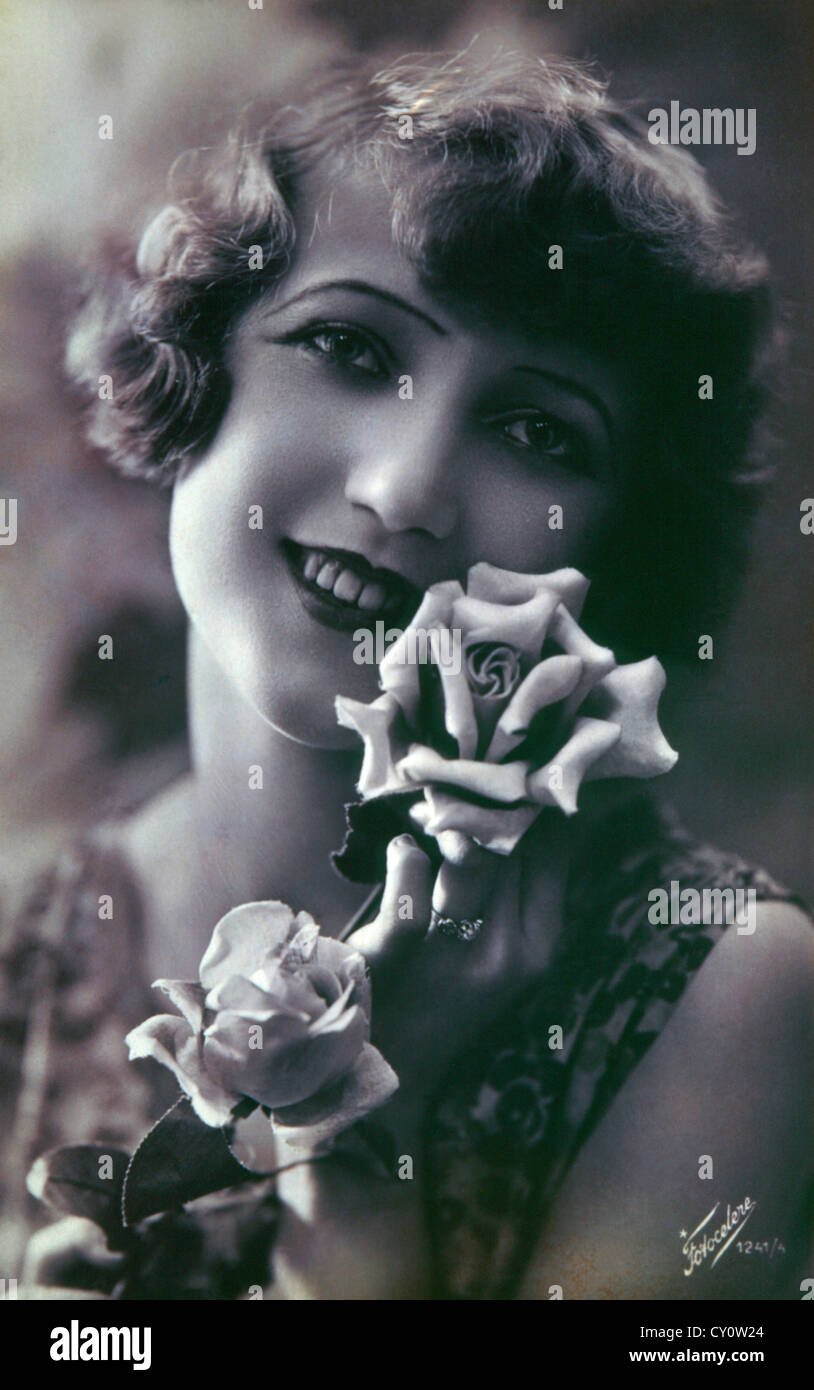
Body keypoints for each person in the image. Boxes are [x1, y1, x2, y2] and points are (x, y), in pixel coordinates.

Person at [3, 46, 812, 1301]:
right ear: (196, 362)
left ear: (617, 540)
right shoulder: (31, 944)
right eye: (347, 346)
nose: (404, 488)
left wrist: (372, 1122)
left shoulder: (722, 985)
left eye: (536, 429)